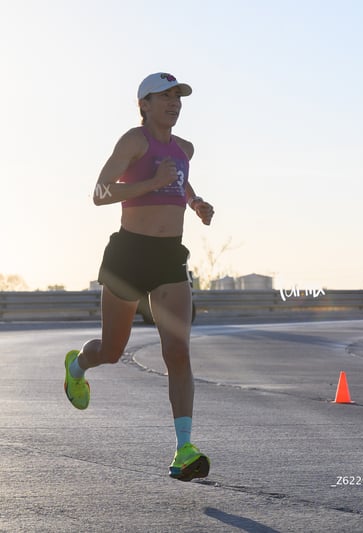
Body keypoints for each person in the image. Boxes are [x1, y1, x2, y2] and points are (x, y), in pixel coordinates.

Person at [64, 72, 214, 482]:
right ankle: (79, 364)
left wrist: (195, 201)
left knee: (178, 352)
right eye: (164, 96)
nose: (174, 103)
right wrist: (152, 182)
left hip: (169, 259)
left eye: (177, 96)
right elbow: (99, 192)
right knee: (113, 350)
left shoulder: (185, 149)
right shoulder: (134, 141)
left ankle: (184, 449)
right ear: (143, 104)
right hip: (128, 255)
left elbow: (178, 182)